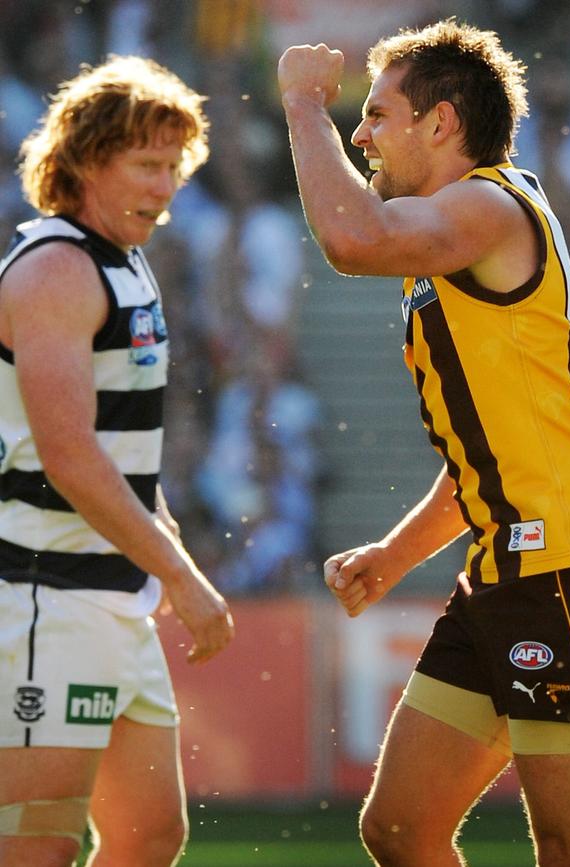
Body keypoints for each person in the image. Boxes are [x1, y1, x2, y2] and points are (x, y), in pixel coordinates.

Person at [278, 19, 570, 867]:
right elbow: (489, 453)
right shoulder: (459, 233)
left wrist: (304, 104)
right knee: (400, 827)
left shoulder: (485, 204)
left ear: (440, 122)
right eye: (354, 116)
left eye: (375, 115)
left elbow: (351, 238)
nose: (361, 134)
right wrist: (394, 552)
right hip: (506, 566)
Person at [0, 55, 234, 867]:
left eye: (174, 166)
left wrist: (156, 551)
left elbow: (123, 450)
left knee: (148, 835)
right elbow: (69, 455)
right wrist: (181, 572)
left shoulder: (123, 260)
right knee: (37, 843)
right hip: (44, 595)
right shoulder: (57, 268)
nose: (167, 186)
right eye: (146, 164)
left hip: (109, 599)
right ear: (85, 160)